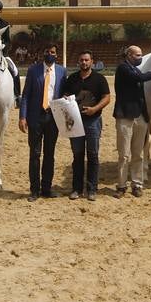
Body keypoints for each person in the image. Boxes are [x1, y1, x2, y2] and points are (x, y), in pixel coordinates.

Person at [113, 44, 151, 198]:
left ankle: (137, 184)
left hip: (140, 116)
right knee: (124, 154)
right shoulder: (123, 69)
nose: (140, 58)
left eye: (141, 55)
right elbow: (138, 79)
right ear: (129, 55)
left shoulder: (135, 69)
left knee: (138, 154)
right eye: (137, 55)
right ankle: (121, 186)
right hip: (125, 117)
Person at [19, 43, 65, 202]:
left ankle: (47, 188)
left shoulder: (61, 71)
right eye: (47, 51)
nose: (50, 54)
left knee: (50, 155)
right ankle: (34, 190)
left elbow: (63, 93)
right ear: (42, 53)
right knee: (35, 154)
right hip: (35, 117)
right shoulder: (33, 70)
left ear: (57, 55)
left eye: (52, 52)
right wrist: (22, 117)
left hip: (53, 118)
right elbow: (25, 95)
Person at [63, 50, 111, 201]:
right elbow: (65, 96)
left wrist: (95, 109)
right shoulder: (72, 79)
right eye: (81, 60)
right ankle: (76, 189)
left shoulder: (99, 79)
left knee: (93, 155)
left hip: (93, 121)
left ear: (92, 61)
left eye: (86, 60)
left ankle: (91, 189)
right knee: (77, 156)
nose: (84, 62)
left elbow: (107, 97)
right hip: (75, 123)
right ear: (78, 62)